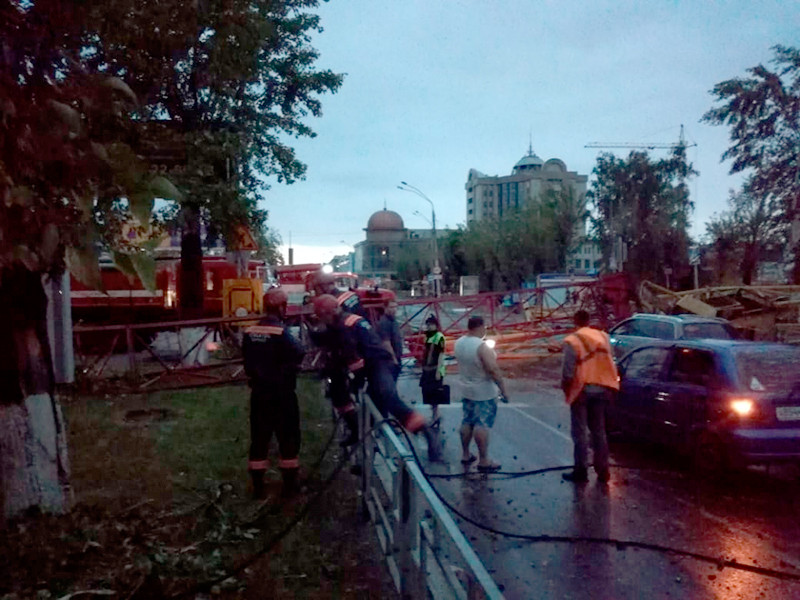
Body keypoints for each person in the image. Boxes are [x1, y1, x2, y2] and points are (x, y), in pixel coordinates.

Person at [312, 295, 438, 456]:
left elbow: (352, 357)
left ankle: (425, 431)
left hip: (379, 363)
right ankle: (360, 435)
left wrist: (356, 380)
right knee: (352, 398)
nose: (323, 322)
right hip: (371, 363)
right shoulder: (342, 323)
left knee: (388, 397)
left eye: (322, 317)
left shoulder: (344, 327)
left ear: (328, 313)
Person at [242, 287, 306, 499]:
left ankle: (258, 487)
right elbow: (299, 351)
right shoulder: (281, 332)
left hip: (259, 393)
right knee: (288, 437)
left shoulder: (250, 332)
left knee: (259, 438)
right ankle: (290, 486)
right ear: (281, 307)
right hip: (282, 394)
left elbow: (247, 359)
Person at [560, 309, 620, 483]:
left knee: (580, 433)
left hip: (581, 390)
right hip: (602, 388)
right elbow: (610, 360)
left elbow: (568, 371)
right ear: (589, 321)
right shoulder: (603, 337)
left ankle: (581, 471)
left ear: (575, 321)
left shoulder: (572, 340)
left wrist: (566, 389)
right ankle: (603, 471)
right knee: (599, 431)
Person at [453, 316, 509, 472]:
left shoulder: (459, 343)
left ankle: (465, 454)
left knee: (467, 421)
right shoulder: (482, 347)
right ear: (481, 327)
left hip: (466, 388)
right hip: (484, 391)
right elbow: (493, 370)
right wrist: (503, 390)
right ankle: (483, 460)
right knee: (482, 424)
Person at [419, 315, 447, 423]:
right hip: (427, 368)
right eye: (428, 325)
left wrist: (439, 371)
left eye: (431, 325)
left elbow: (440, 355)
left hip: (435, 368)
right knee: (428, 392)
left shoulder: (439, 337)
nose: (429, 327)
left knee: (435, 393)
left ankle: (436, 415)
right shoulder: (428, 336)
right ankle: (434, 414)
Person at [376, 298, 403, 381]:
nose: (394, 309)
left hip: (396, 357)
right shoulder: (384, 322)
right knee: (390, 381)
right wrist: (394, 359)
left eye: (395, 307)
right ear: (385, 308)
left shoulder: (394, 320)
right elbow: (386, 343)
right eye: (391, 307)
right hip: (389, 360)